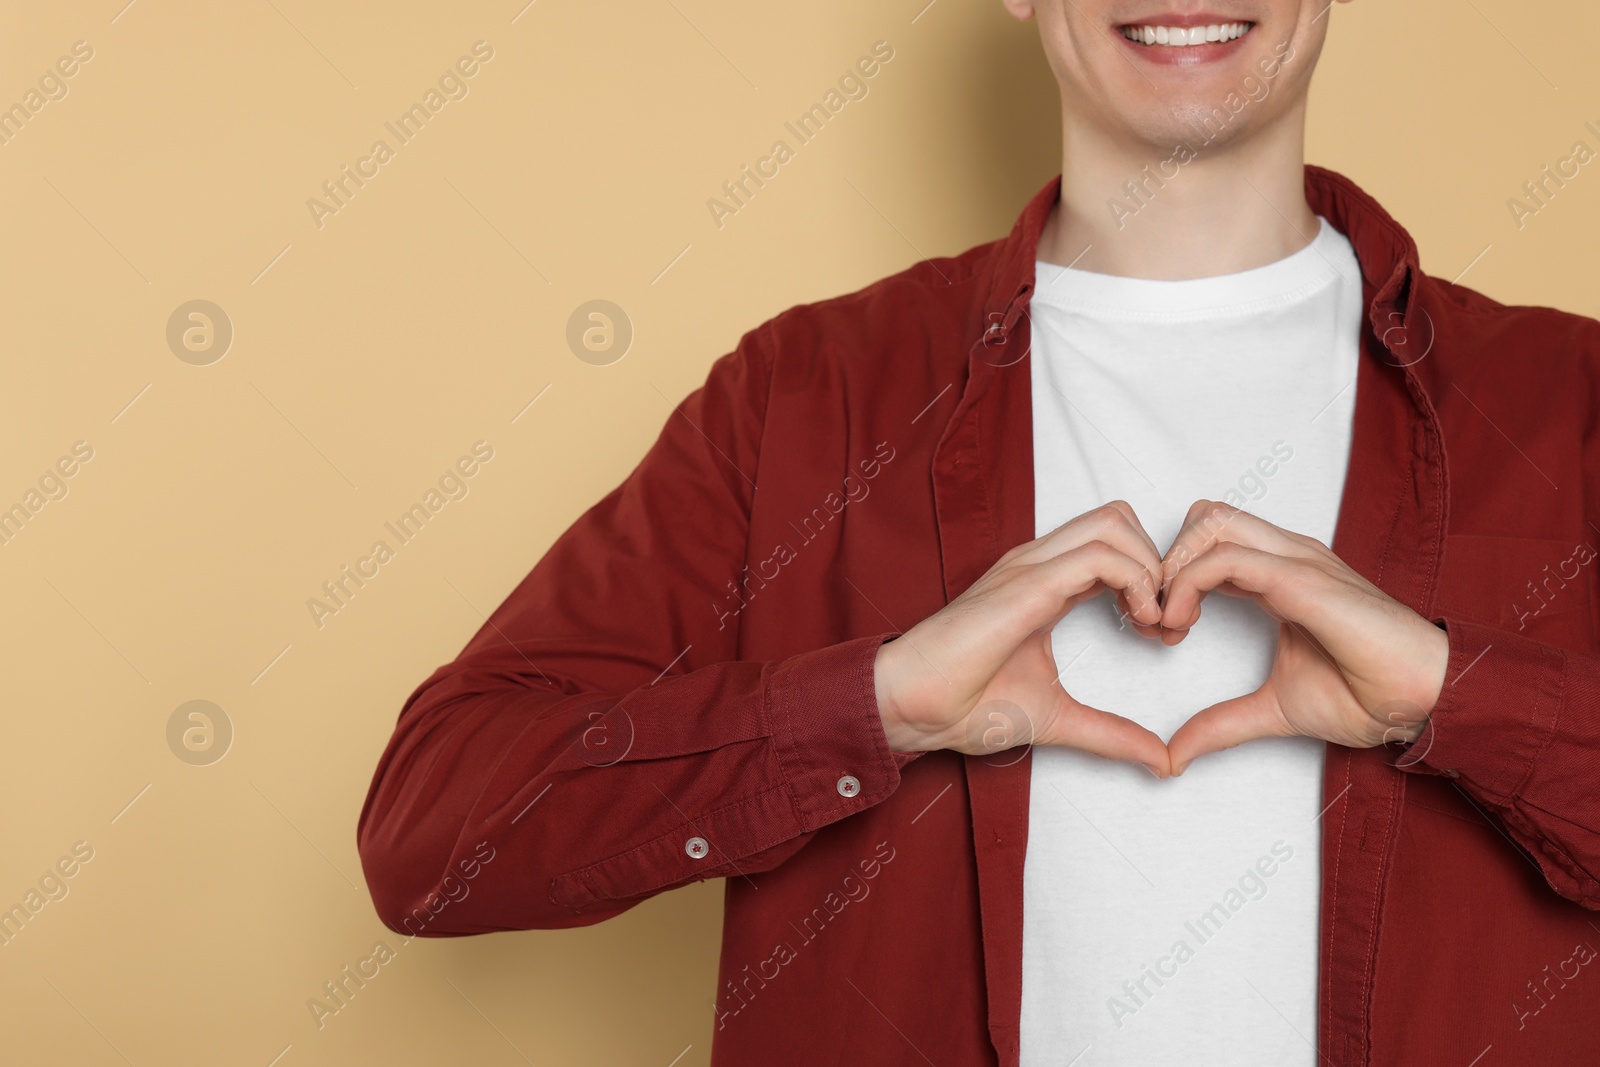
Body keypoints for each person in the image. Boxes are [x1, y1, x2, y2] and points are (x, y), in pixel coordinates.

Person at [357, 2, 1600, 1063]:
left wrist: (1455, 694)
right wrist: (876, 703)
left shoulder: (1569, 399)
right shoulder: (804, 393)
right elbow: (433, 840)